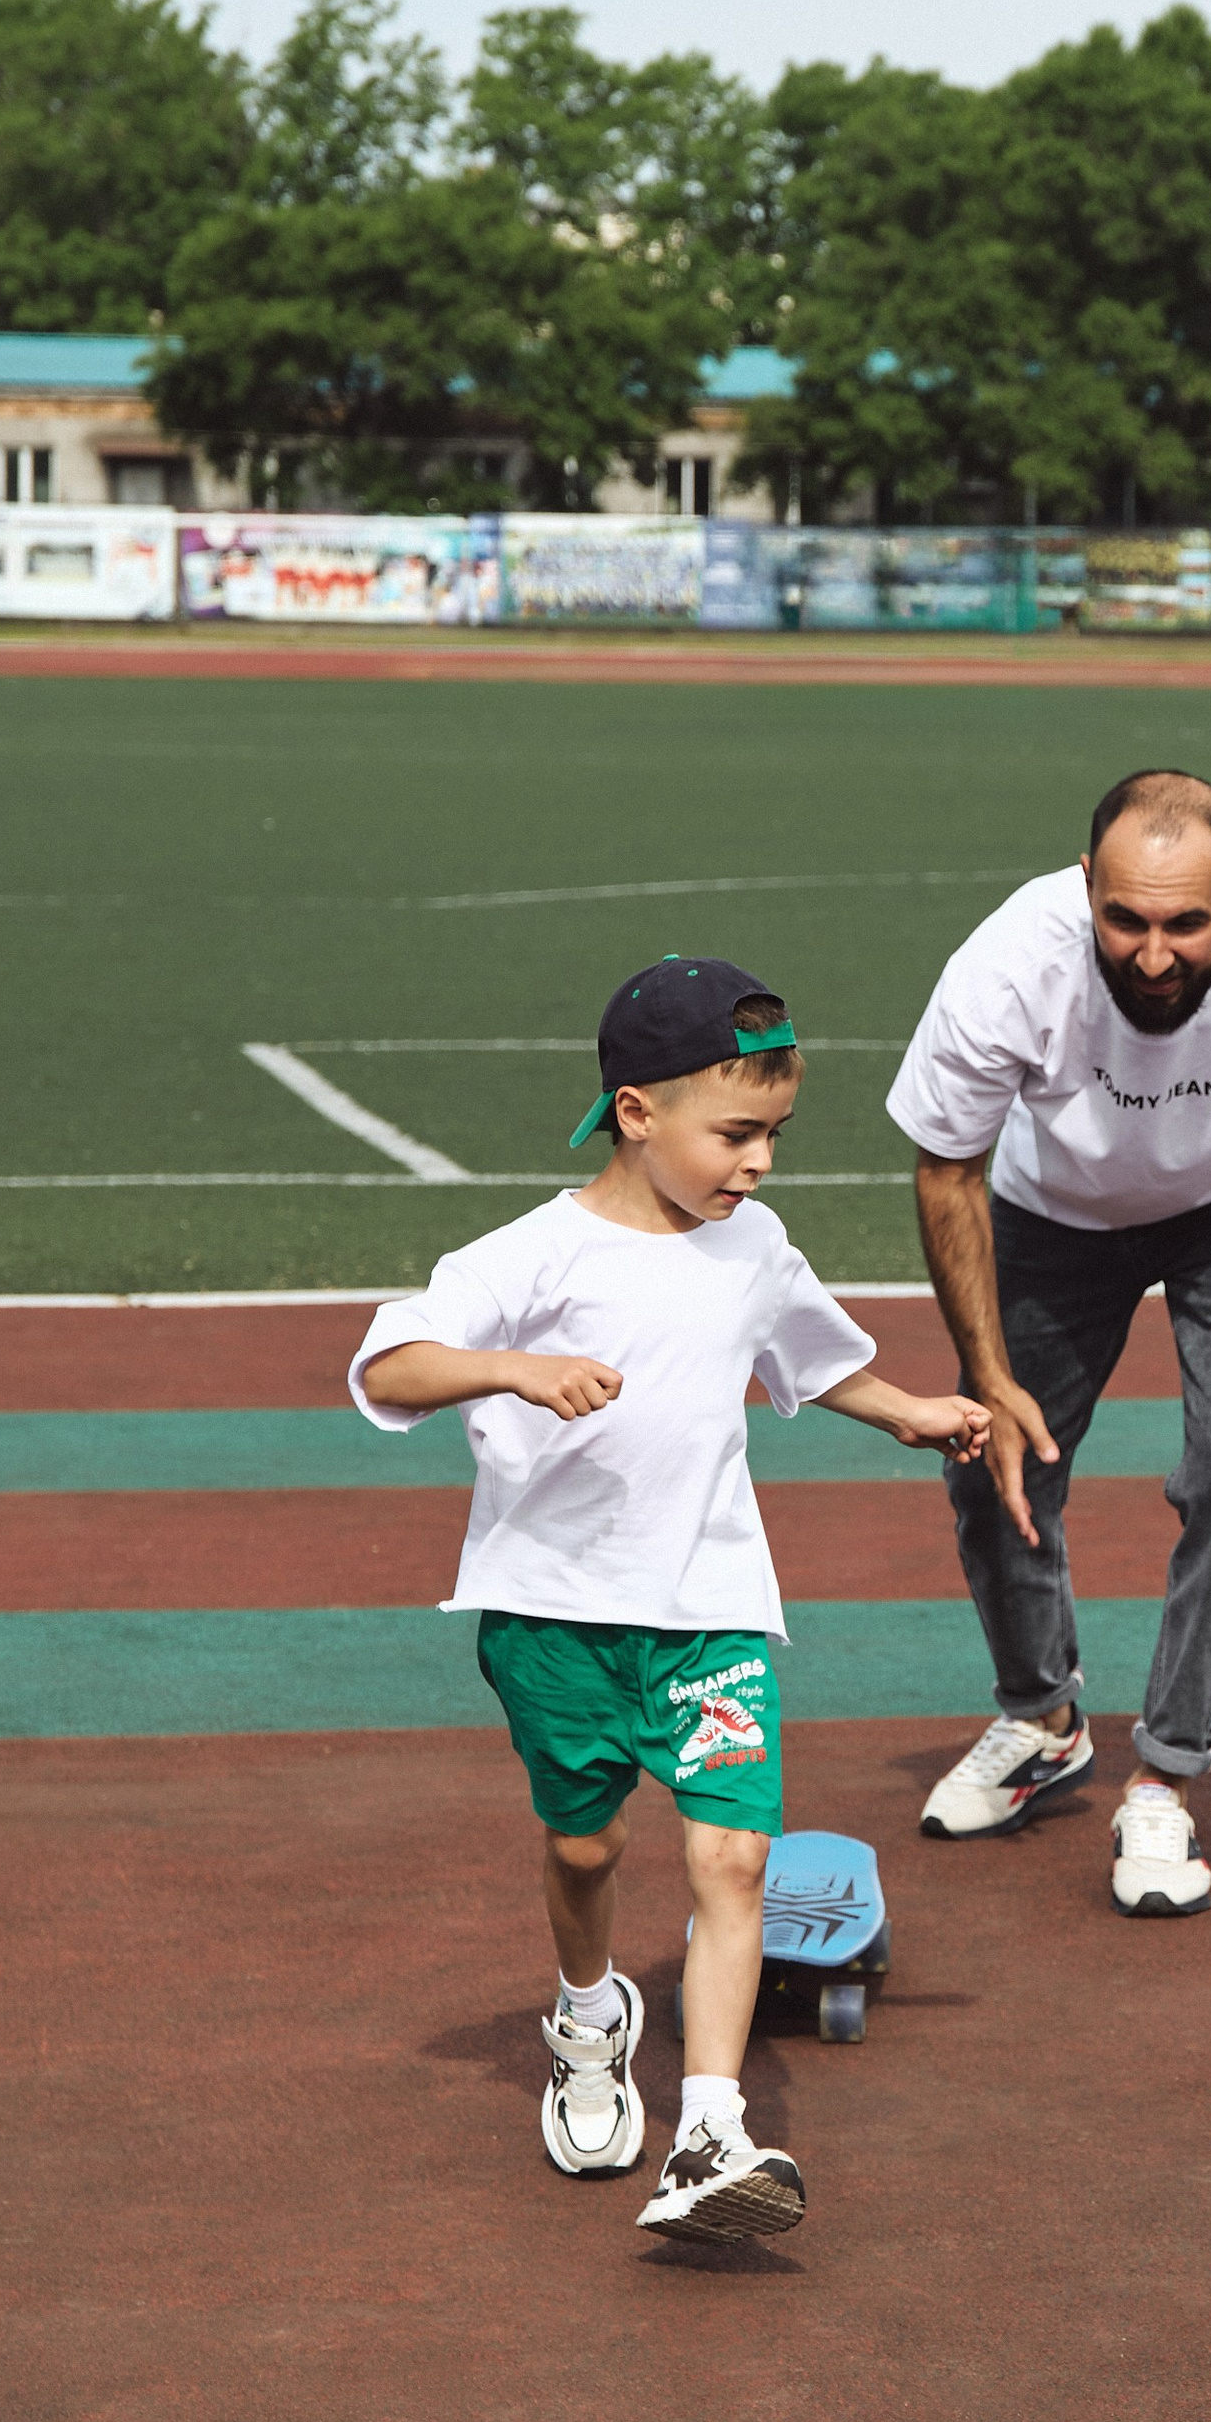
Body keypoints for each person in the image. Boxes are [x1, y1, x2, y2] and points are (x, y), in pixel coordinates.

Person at [350, 955, 988, 2250]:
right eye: (736, 1133)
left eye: (776, 1135)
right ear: (637, 1113)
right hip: (552, 1614)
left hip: (708, 1605)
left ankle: (710, 2130)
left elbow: (811, 1355)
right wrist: (512, 1370)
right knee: (587, 1849)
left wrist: (908, 1412)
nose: (759, 1163)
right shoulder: (534, 1253)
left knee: (732, 1854)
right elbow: (390, 1364)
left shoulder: (754, 1248)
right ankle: (590, 2017)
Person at [888, 767, 1211, 1916]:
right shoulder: (1008, 966)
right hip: (1052, 1209)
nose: (1155, 954)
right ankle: (1043, 1720)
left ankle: (1164, 1774)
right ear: (1086, 888)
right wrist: (988, 1378)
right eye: (1125, 919)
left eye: (1186, 924)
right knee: (990, 1458)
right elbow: (946, 1165)